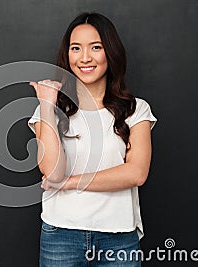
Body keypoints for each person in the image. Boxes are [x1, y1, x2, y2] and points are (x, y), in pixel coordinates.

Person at [28, 12, 157, 266]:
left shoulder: (135, 110)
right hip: (61, 235)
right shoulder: (50, 109)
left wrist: (70, 183)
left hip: (118, 237)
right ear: (67, 55)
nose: (85, 58)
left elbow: (136, 173)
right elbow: (52, 173)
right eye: (76, 48)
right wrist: (46, 104)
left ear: (110, 52)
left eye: (95, 47)